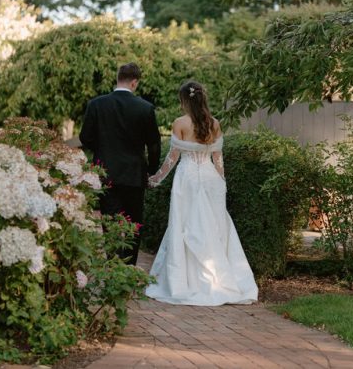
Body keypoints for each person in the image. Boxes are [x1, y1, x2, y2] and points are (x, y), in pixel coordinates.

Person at [145, 80, 258, 306]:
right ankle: (218, 279)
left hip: (186, 178)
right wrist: (222, 182)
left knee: (184, 223)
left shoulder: (180, 123)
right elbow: (218, 159)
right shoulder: (214, 123)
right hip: (210, 179)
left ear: (183, 100)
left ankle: (183, 281)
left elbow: (172, 157)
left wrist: (156, 178)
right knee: (213, 225)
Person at [79, 62, 161, 265]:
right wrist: (150, 170)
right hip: (134, 175)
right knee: (134, 224)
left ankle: (112, 265)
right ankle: (129, 267)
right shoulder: (145, 108)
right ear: (134, 82)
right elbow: (154, 144)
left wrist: (102, 149)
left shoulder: (96, 105)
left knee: (109, 221)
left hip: (106, 173)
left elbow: (85, 138)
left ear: (118, 79)